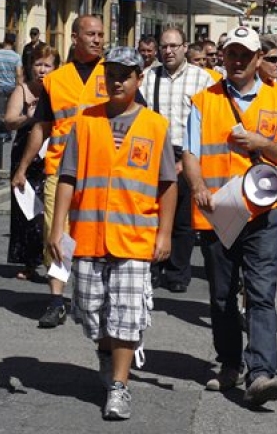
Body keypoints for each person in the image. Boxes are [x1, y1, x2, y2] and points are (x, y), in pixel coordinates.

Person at [49, 46, 177, 421]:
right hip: (89, 238)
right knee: (92, 312)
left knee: (125, 315)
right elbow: (68, 177)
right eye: (111, 73)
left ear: (139, 78)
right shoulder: (86, 121)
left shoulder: (155, 126)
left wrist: (165, 234)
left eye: (125, 74)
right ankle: (106, 354)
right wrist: (57, 229)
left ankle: (120, 386)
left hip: (135, 240)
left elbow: (168, 183)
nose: (116, 80)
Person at [182, 25, 277, 406]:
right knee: (221, 297)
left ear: (256, 59)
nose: (236, 61)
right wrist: (198, 186)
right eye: (231, 53)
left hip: (265, 213)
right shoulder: (204, 101)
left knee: (261, 294)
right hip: (219, 210)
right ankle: (230, 362)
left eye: (244, 55)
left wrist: (263, 144)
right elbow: (190, 154)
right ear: (223, 57)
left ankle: (262, 372)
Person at [12, 15, 108, 329]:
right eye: (91, 34)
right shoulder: (56, 80)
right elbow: (41, 127)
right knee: (57, 232)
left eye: (100, 34)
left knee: (98, 233)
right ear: (75, 37)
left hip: (102, 169)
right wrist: (23, 167)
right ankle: (56, 300)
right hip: (59, 167)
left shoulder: (115, 74)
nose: (97, 39)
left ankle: (96, 296)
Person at [139, 28, 214, 293]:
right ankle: (153, 267)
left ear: (184, 48)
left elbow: (208, 122)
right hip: (155, 155)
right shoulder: (148, 77)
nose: (168, 51)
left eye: (173, 46)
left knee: (183, 219)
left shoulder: (202, 79)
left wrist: (188, 159)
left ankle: (177, 272)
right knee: (153, 214)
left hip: (186, 154)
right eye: (164, 46)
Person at [4, 44, 60, 281]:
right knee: (26, 209)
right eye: (38, 64)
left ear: (56, 68)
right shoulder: (23, 90)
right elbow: (8, 120)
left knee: (50, 210)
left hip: (52, 152)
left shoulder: (60, 90)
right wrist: (29, 117)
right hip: (25, 150)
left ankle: (52, 260)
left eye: (48, 65)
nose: (42, 69)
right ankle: (28, 261)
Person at [0, 32, 24, 141]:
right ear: (14, 42)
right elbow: (19, 73)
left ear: (4, 40)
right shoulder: (16, 57)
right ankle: (7, 133)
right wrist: (19, 87)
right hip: (11, 86)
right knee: (9, 111)